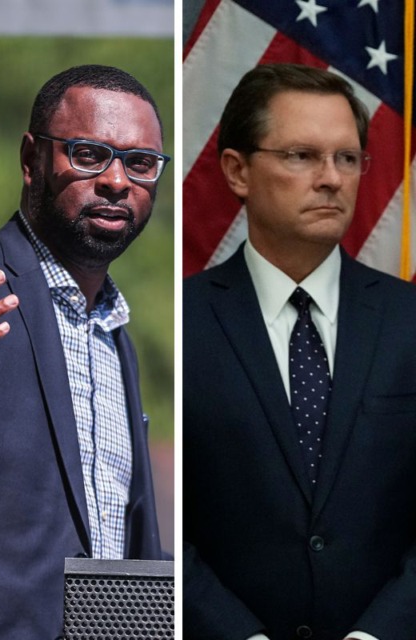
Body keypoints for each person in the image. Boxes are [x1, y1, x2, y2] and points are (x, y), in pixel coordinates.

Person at [184, 63, 416, 640]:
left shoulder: (409, 321)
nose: (332, 179)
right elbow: (157, 521)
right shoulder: (179, 322)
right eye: (301, 156)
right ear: (237, 171)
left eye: (347, 157)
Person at [0, 65, 168, 639]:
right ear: (31, 160)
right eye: (89, 154)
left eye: (139, 163)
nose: (117, 181)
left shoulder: (116, 334)